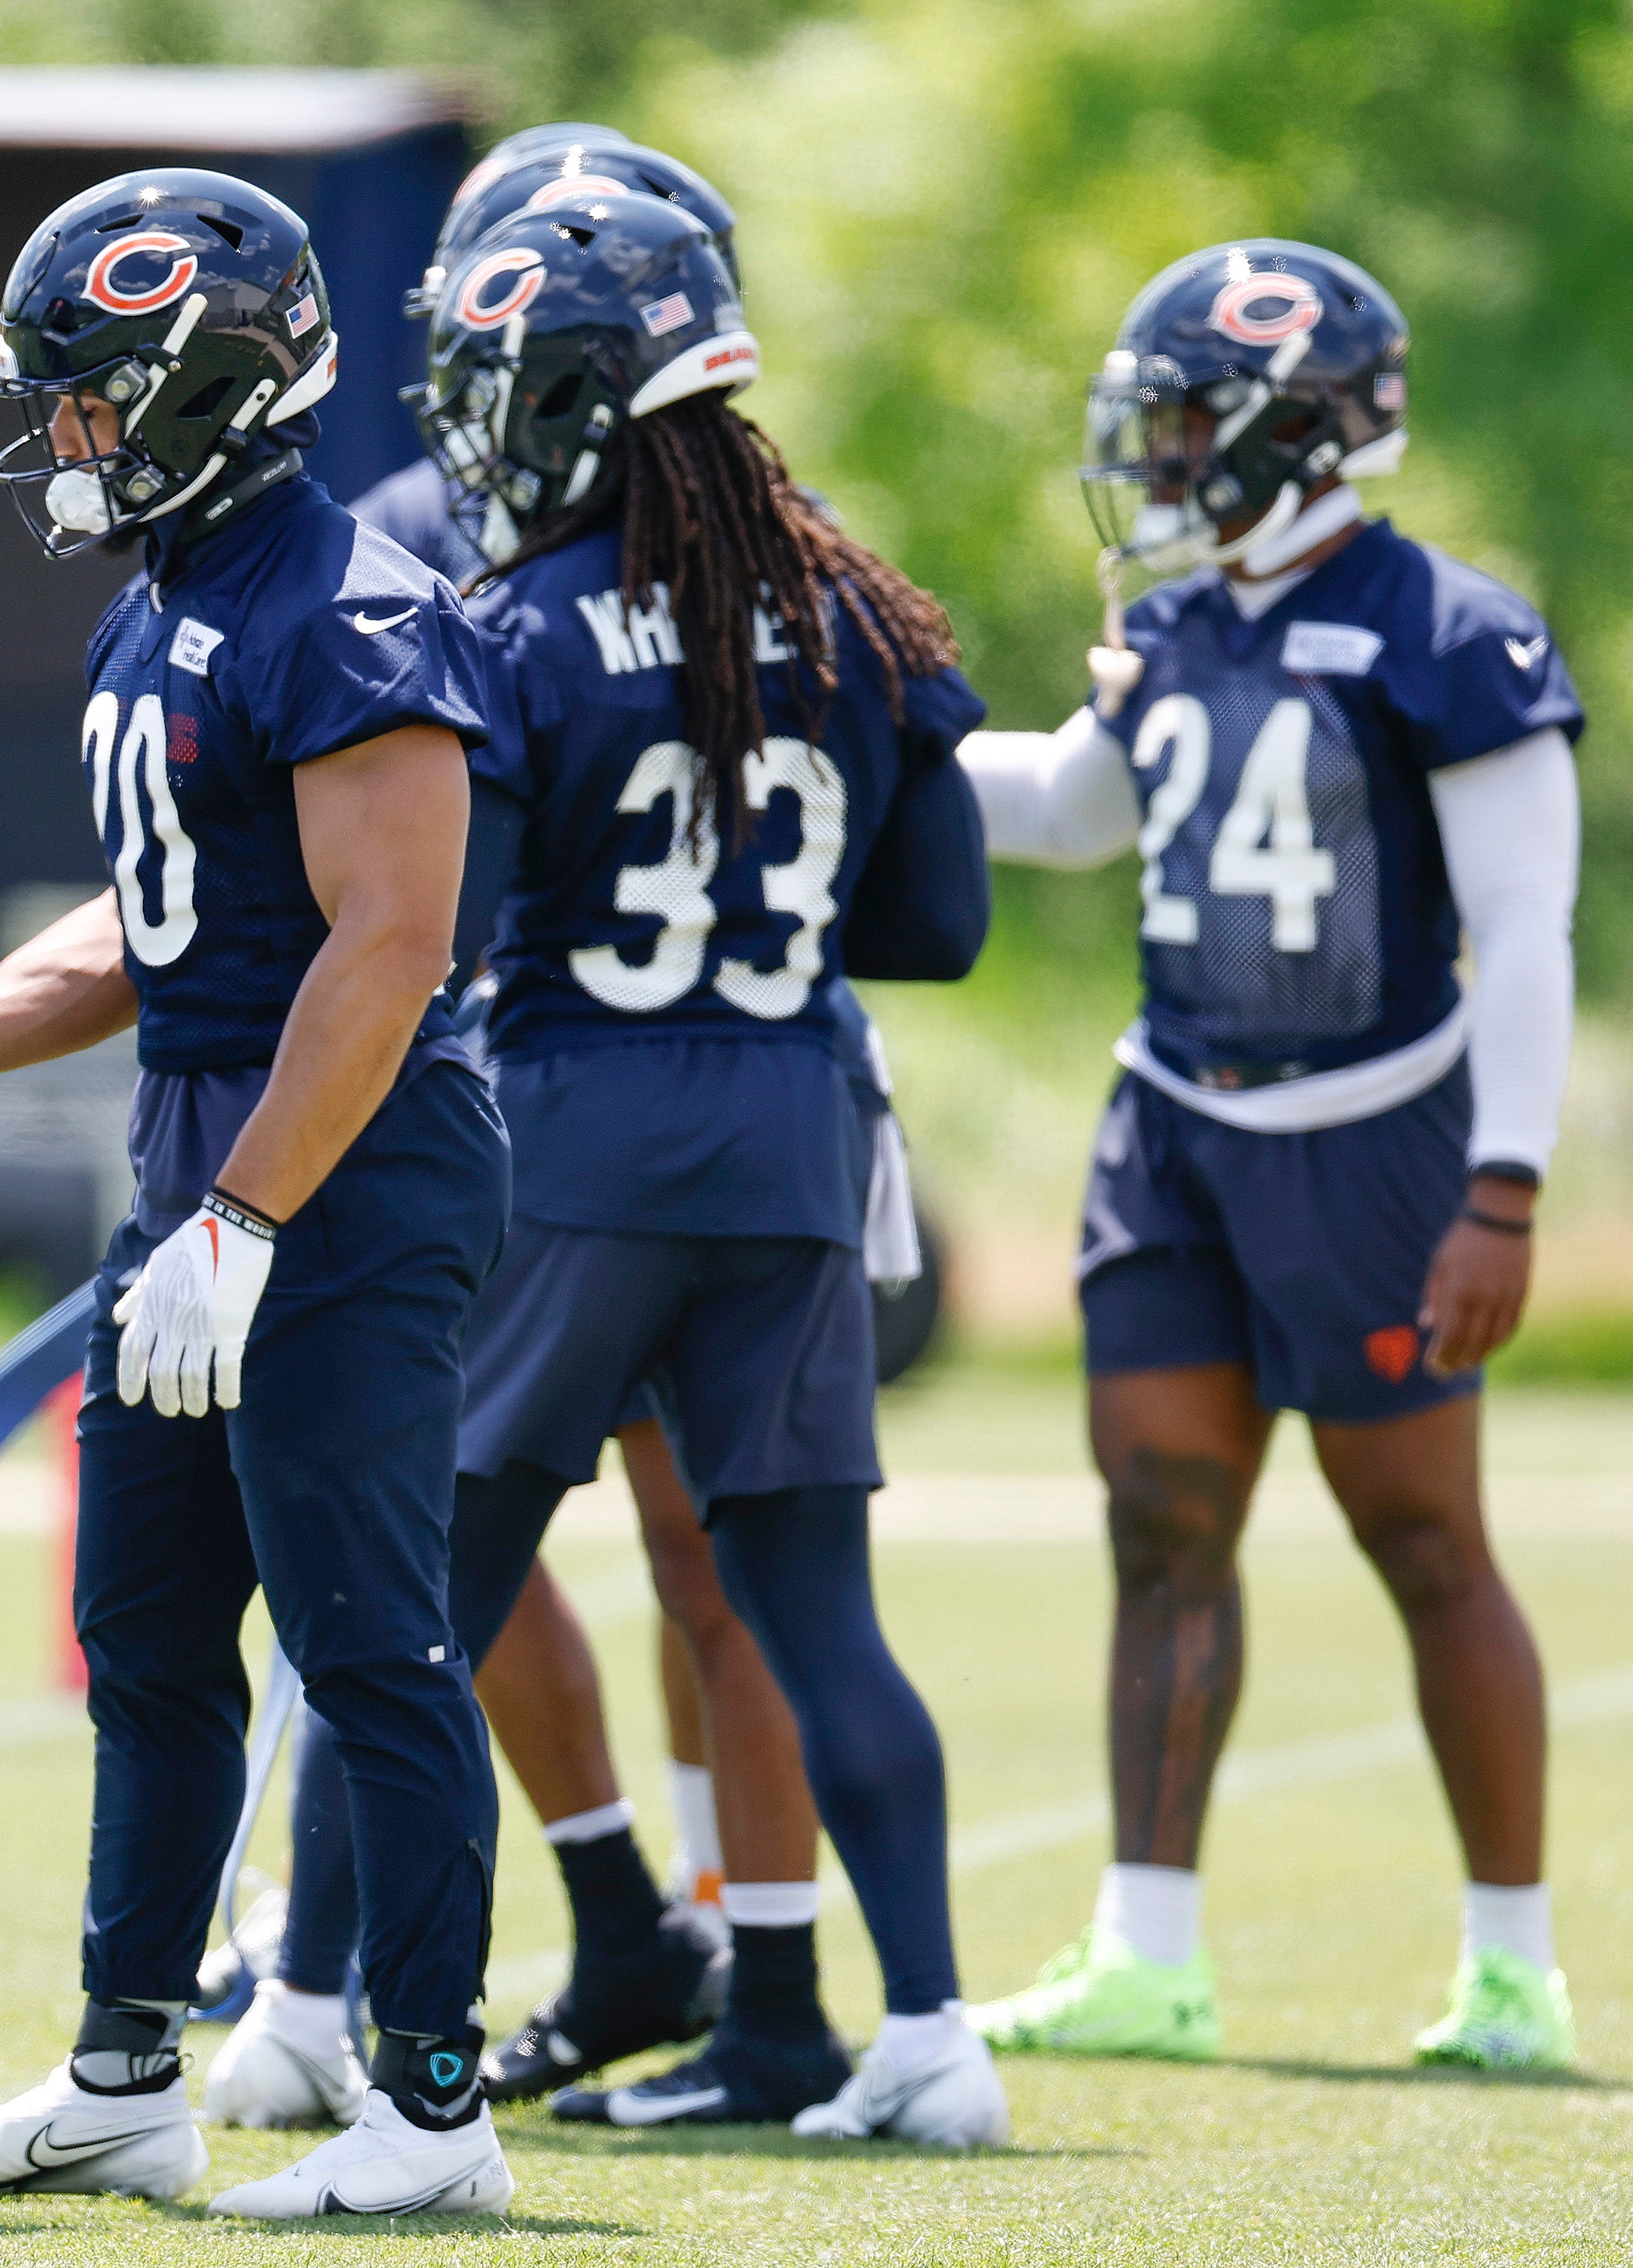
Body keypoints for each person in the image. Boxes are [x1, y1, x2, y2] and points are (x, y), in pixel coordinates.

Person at [0, 168, 520, 2220]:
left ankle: (432, 2106)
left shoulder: (351, 605)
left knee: (367, 1642)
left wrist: (250, 1219)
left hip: (342, 1171)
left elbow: (390, 945)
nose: (65, 435)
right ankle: (123, 2079)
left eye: (95, 396)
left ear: (209, 385)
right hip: (207, 1165)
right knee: (150, 1633)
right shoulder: (163, 598)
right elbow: (155, 923)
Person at [404, 187, 1011, 2145]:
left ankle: (367, 2038)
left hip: (578, 1138)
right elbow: (937, 928)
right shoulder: (857, 606)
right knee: (815, 1611)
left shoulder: (515, 620)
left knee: (417, 1599)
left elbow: (450, 932)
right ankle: (925, 2036)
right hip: (793, 1133)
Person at [959, 241, 1584, 2072]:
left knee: (1424, 1539)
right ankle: (1147, 1955)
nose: (1155, 454)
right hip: (1174, 1123)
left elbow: (1524, 926)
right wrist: (867, 734)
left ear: (1285, 427)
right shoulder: (1182, 623)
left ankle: (1513, 1969)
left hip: (1375, 1137)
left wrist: (1506, 1184)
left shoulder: (1452, 633)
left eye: (1182, 420)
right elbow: (1071, 812)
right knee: (1162, 1525)